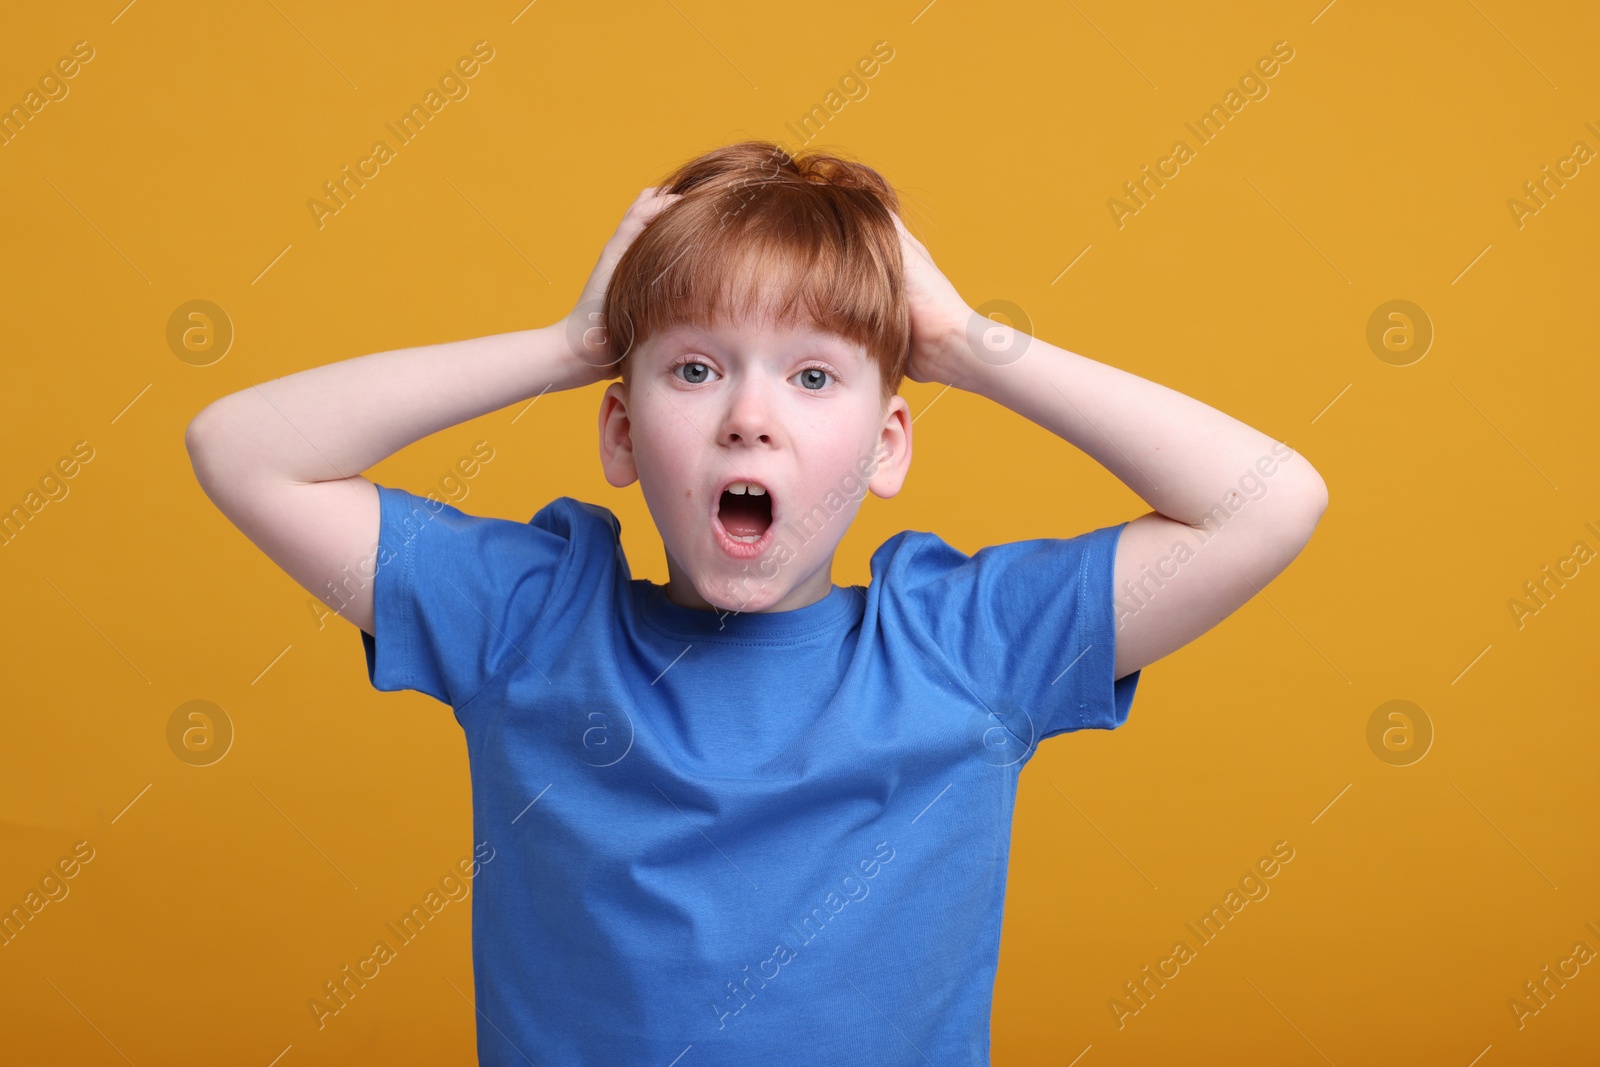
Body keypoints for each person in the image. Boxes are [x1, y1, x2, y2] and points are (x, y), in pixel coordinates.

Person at [185, 140, 1328, 1065]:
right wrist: (565, 345)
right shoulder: (527, 624)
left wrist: (966, 344)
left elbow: (1267, 503)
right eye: (694, 368)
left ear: (888, 446)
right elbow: (240, 449)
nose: (749, 415)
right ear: (621, 433)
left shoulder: (964, 650)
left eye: (814, 374)